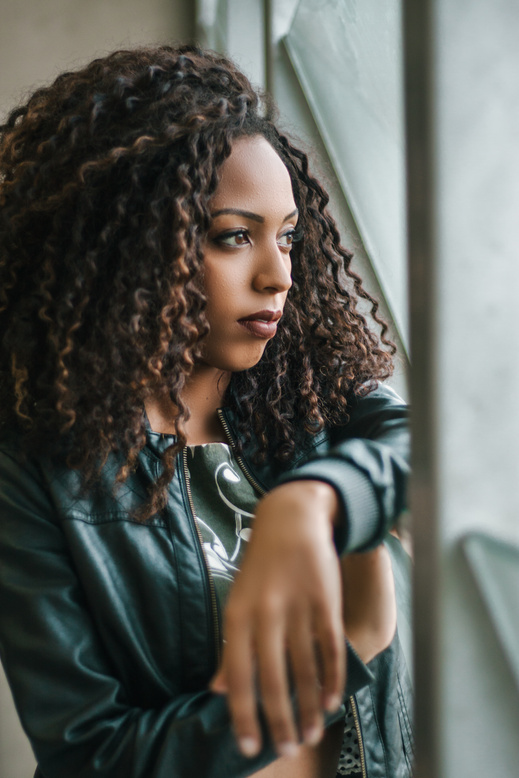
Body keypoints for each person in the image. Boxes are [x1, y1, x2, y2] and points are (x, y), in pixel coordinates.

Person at [0, 45, 411, 778]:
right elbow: (92, 756)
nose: (278, 274)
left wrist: (317, 502)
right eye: (233, 236)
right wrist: (332, 661)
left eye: (286, 236)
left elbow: (435, 448)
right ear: (126, 248)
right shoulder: (34, 467)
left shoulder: (305, 389)